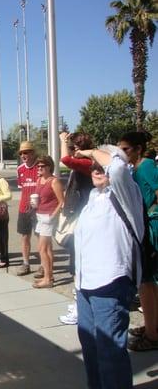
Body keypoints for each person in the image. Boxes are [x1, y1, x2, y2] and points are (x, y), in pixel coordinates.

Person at [74, 146, 143, 389]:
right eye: (93, 166)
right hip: (85, 285)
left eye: (100, 164)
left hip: (111, 283)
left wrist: (91, 151)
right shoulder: (94, 197)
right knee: (91, 347)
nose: (96, 169)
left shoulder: (127, 192)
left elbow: (117, 167)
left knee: (110, 351)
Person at [118, 131, 158, 351]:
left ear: (138, 149)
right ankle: (151, 325)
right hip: (142, 229)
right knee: (147, 283)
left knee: (146, 283)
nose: (122, 154)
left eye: (126, 149)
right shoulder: (135, 169)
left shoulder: (147, 167)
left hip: (150, 230)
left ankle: (152, 335)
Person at [58, 132, 95, 324]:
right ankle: (79, 305)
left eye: (73, 148)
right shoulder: (84, 164)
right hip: (78, 216)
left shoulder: (86, 164)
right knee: (76, 263)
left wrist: (63, 141)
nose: (70, 152)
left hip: (82, 219)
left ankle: (80, 308)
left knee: (78, 265)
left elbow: (64, 160)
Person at [32, 155, 64, 289]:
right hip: (39, 214)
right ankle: (49, 275)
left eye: (42, 166)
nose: (39, 168)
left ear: (49, 166)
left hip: (48, 217)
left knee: (42, 249)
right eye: (38, 166)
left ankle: (47, 278)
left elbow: (62, 201)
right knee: (48, 248)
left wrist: (53, 216)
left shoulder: (54, 181)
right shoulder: (39, 180)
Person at [16, 141, 40, 276]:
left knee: (40, 236)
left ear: (32, 153)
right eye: (21, 153)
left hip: (38, 209)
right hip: (23, 208)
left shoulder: (40, 167)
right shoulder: (20, 169)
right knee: (25, 236)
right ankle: (26, 263)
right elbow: (22, 188)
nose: (23, 155)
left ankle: (43, 264)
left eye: (26, 152)